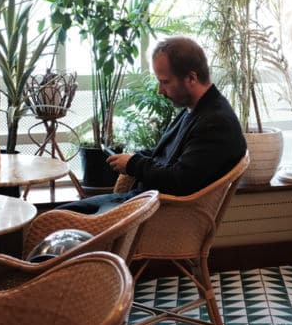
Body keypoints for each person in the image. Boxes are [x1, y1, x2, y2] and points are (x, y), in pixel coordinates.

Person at [60, 36, 246, 214]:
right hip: (146, 202)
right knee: (63, 214)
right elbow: (166, 155)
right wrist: (134, 157)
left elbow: (179, 180)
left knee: (58, 219)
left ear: (191, 78)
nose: (160, 90)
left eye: (165, 82)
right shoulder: (196, 109)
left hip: (157, 212)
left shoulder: (216, 123)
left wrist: (134, 164)